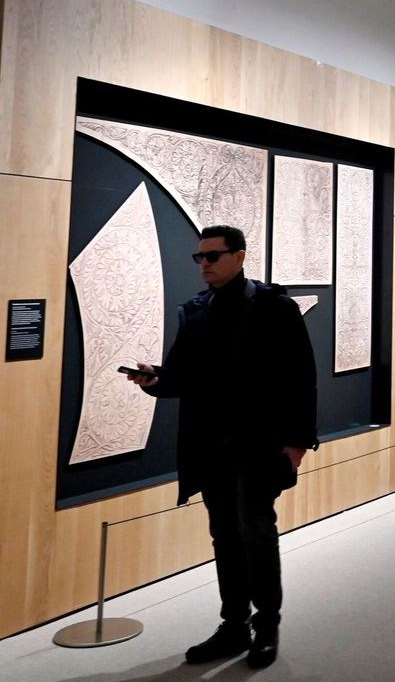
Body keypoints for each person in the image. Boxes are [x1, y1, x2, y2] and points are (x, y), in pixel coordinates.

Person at [125, 225, 317, 669]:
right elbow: (180, 375)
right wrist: (155, 378)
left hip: (260, 442)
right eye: (200, 257)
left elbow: (301, 377)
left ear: (240, 256)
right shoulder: (196, 311)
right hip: (209, 444)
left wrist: (297, 443)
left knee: (256, 532)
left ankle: (267, 624)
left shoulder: (274, 306)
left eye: (213, 256)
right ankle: (233, 624)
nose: (205, 264)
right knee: (224, 536)